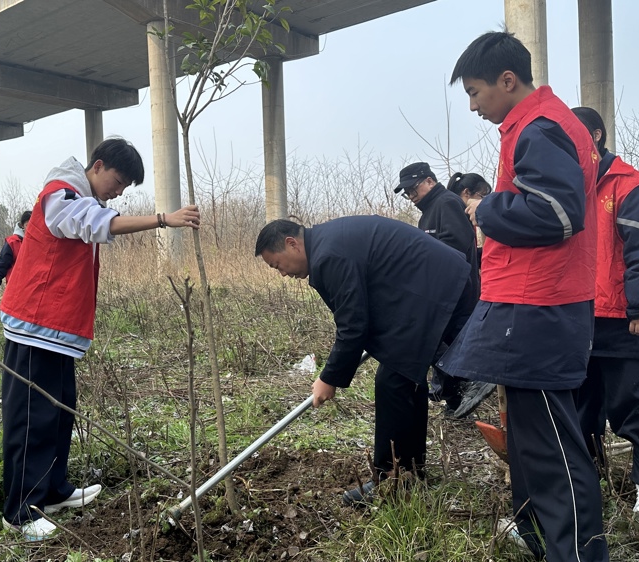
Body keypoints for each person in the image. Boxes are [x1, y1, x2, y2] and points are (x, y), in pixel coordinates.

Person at [439, 31, 608, 561]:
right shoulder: (538, 125)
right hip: (532, 304)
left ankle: (578, 553)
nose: (473, 105)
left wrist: (487, 211)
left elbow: (558, 215)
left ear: (507, 81)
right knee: (536, 442)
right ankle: (543, 539)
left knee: (554, 448)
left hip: (540, 308)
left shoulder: (540, 127)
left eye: (475, 92)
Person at [0, 137, 200, 540]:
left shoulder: (80, 195)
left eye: (126, 187)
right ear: (98, 165)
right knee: (32, 418)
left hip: (56, 331)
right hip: (35, 326)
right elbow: (89, 223)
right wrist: (163, 219)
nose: (119, 191)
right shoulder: (62, 194)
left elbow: (93, 219)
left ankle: (52, 490)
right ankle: (19, 511)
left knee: (59, 412)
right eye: (119, 180)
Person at [255, 217, 474, 503]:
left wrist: (329, 378)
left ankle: (389, 480)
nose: (282, 274)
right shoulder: (329, 243)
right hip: (438, 282)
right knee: (405, 377)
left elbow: (353, 325)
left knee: (393, 382)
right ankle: (409, 474)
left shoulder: (328, 255)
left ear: (291, 244)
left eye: (277, 265)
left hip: (434, 287)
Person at [572, 106, 639, 525]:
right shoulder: (568, 188)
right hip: (576, 319)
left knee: (634, 405)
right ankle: (587, 477)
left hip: (623, 318)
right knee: (580, 407)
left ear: (594, 136)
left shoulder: (628, 185)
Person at [394, 162, 491, 418]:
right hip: (438, 291)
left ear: (428, 181)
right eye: (407, 194)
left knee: (442, 344)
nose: (411, 197)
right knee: (443, 346)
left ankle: (463, 392)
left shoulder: (446, 203)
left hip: (454, 291)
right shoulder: (430, 210)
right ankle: (455, 400)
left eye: (413, 190)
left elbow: (455, 246)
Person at [0, 210, 31, 296]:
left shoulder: (41, 243)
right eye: (28, 225)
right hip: (16, 289)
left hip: (35, 289)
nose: (31, 229)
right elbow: (2, 264)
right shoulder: (13, 242)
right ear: (22, 226)